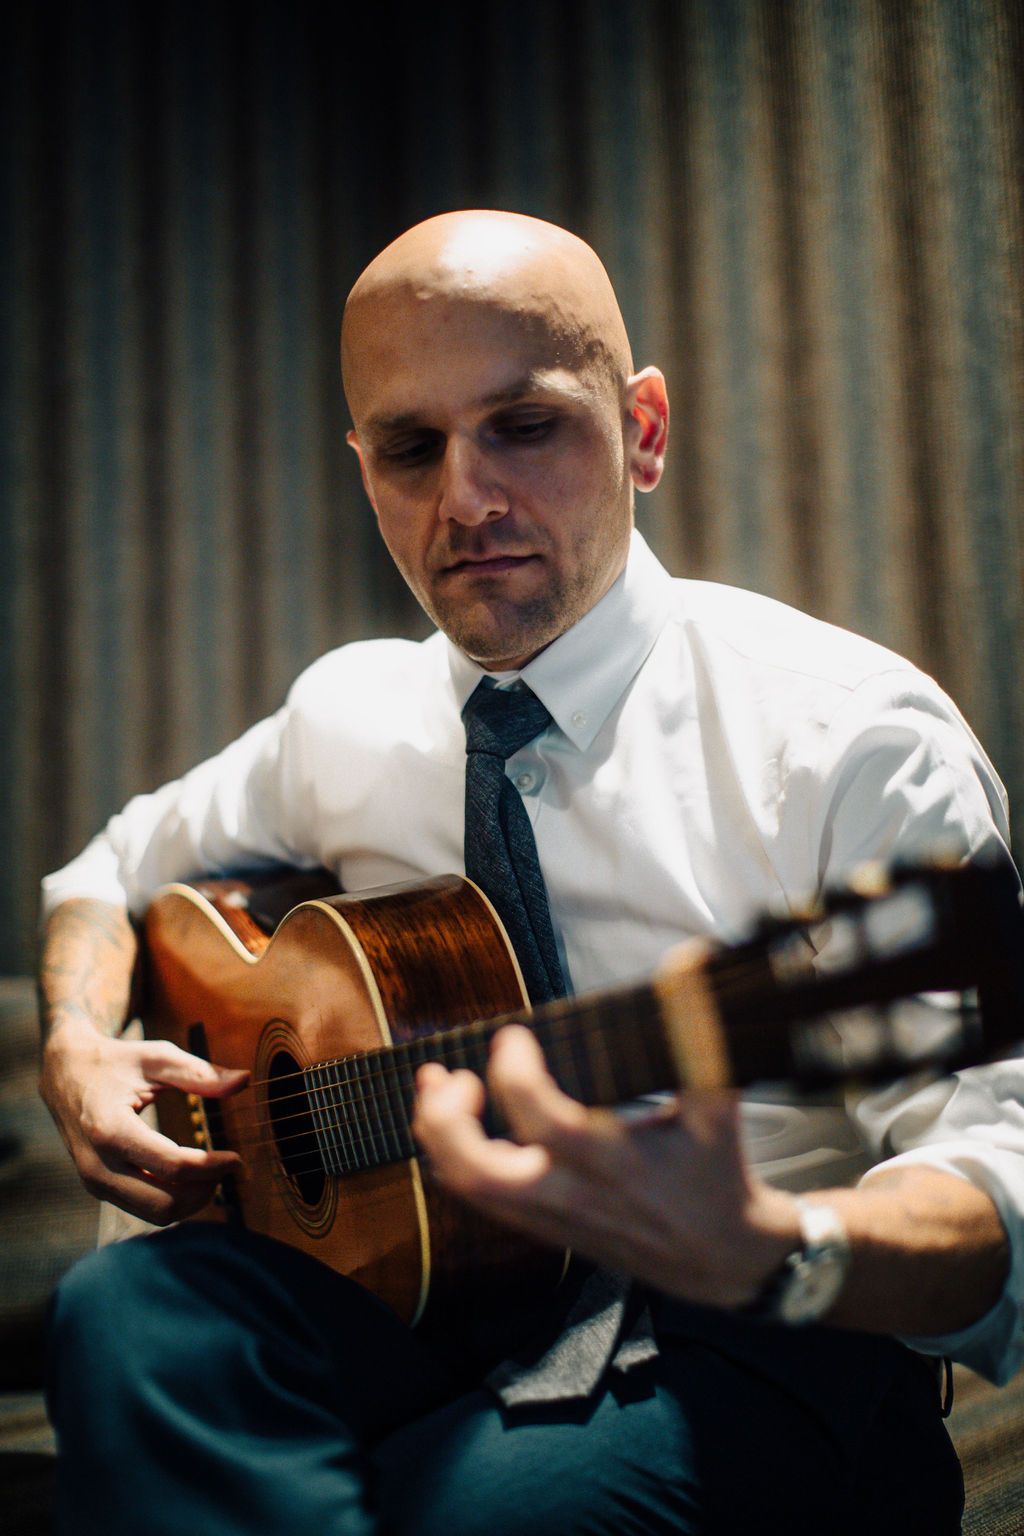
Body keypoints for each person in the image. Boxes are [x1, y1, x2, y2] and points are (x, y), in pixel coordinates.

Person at [38, 210, 1022, 1535]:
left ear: (643, 430)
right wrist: (77, 1045)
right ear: (364, 468)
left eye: (525, 425)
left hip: (750, 1340)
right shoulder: (349, 714)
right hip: (432, 1300)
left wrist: (778, 1246)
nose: (467, 499)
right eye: (411, 448)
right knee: (123, 1308)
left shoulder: (849, 742)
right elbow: (105, 872)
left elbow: (998, 1180)